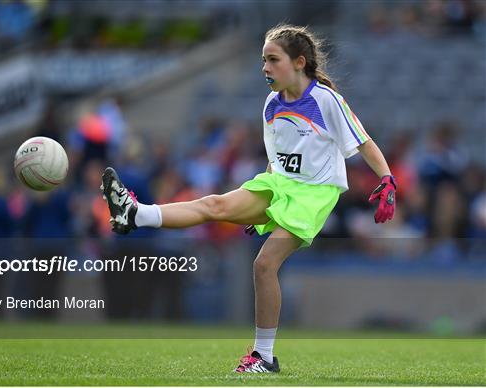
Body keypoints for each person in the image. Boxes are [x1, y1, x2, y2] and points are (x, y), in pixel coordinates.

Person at [101, 23, 396, 373]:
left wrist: (387, 179)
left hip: (314, 194)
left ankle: (264, 357)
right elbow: (277, 156)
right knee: (215, 205)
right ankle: (135, 214)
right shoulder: (272, 103)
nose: (265, 68)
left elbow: (363, 141)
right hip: (278, 183)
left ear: (299, 62)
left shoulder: (325, 99)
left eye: (273, 60)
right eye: (263, 61)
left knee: (263, 265)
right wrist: (261, 209)